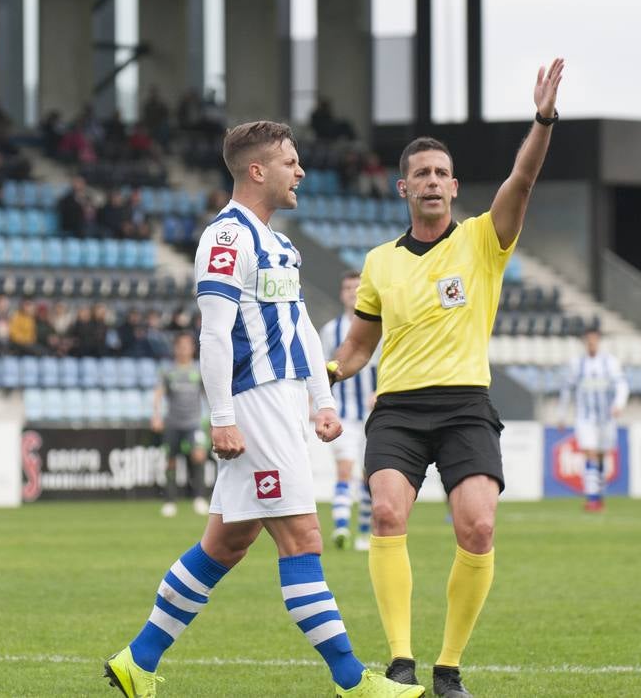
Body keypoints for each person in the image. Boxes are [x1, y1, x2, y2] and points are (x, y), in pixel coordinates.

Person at [105, 121, 422, 698]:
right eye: (290, 162)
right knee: (303, 538)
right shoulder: (226, 239)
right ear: (257, 170)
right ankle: (353, 683)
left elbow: (299, 326)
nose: (300, 171)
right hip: (253, 404)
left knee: (225, 544)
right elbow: (215, 334)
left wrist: (322, 400)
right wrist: (221, 416)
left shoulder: (278, 243)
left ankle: (137, 661)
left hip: (281, 402)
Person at [328, 58, 566, 698]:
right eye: (420, 175)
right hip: (398, 407)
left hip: (465, 405)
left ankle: (448, 668)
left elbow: (523, 175)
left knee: (479, 527)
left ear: (455, 187)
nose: (431, 182)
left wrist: (542, 118)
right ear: (403, 189)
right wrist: (319, 376)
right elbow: (356, 348)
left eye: (440, 173)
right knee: (385, 512)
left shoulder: (486, 239)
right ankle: (401, 660)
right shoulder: (379, 263)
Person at [319, 270, 377, 552]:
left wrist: (382, 391)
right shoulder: (331, 331)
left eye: (357, 287)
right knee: (344, 471)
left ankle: (364, 532)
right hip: (343, 412)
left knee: (370, 475)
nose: (352, 292)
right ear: (342, 293)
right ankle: (342, 527)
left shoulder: (378, 326)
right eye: (348, 288)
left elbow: (387, 364)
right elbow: (322, 370)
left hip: (373, 413)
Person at [557, 325, 628, 512]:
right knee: (589, 453)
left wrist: (618, 405)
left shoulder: (610, 363)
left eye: (595, 340)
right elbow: (567, 390)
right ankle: (592, 499)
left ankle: (599, 495)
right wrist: (562, 415)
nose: (592, 344)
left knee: (602, 456)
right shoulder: (576, 364)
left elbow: (622, 385)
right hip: (585, 418)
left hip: (606, 418)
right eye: (589, 341)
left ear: (599, 341)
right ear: (585, 342)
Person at [150, 332, 210, 518]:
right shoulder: (168, 372)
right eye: (180, 346)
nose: (184, 349)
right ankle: (169, 501)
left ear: (192, 348)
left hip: (194, 422)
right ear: (175, 349)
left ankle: (199, 498)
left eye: (187, 345)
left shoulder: (199, 370)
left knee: (198, 456)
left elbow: (207, 394)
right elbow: (158, 394)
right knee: (170, 460)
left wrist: (215, 418)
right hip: (172, 423)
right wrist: (156, 416)